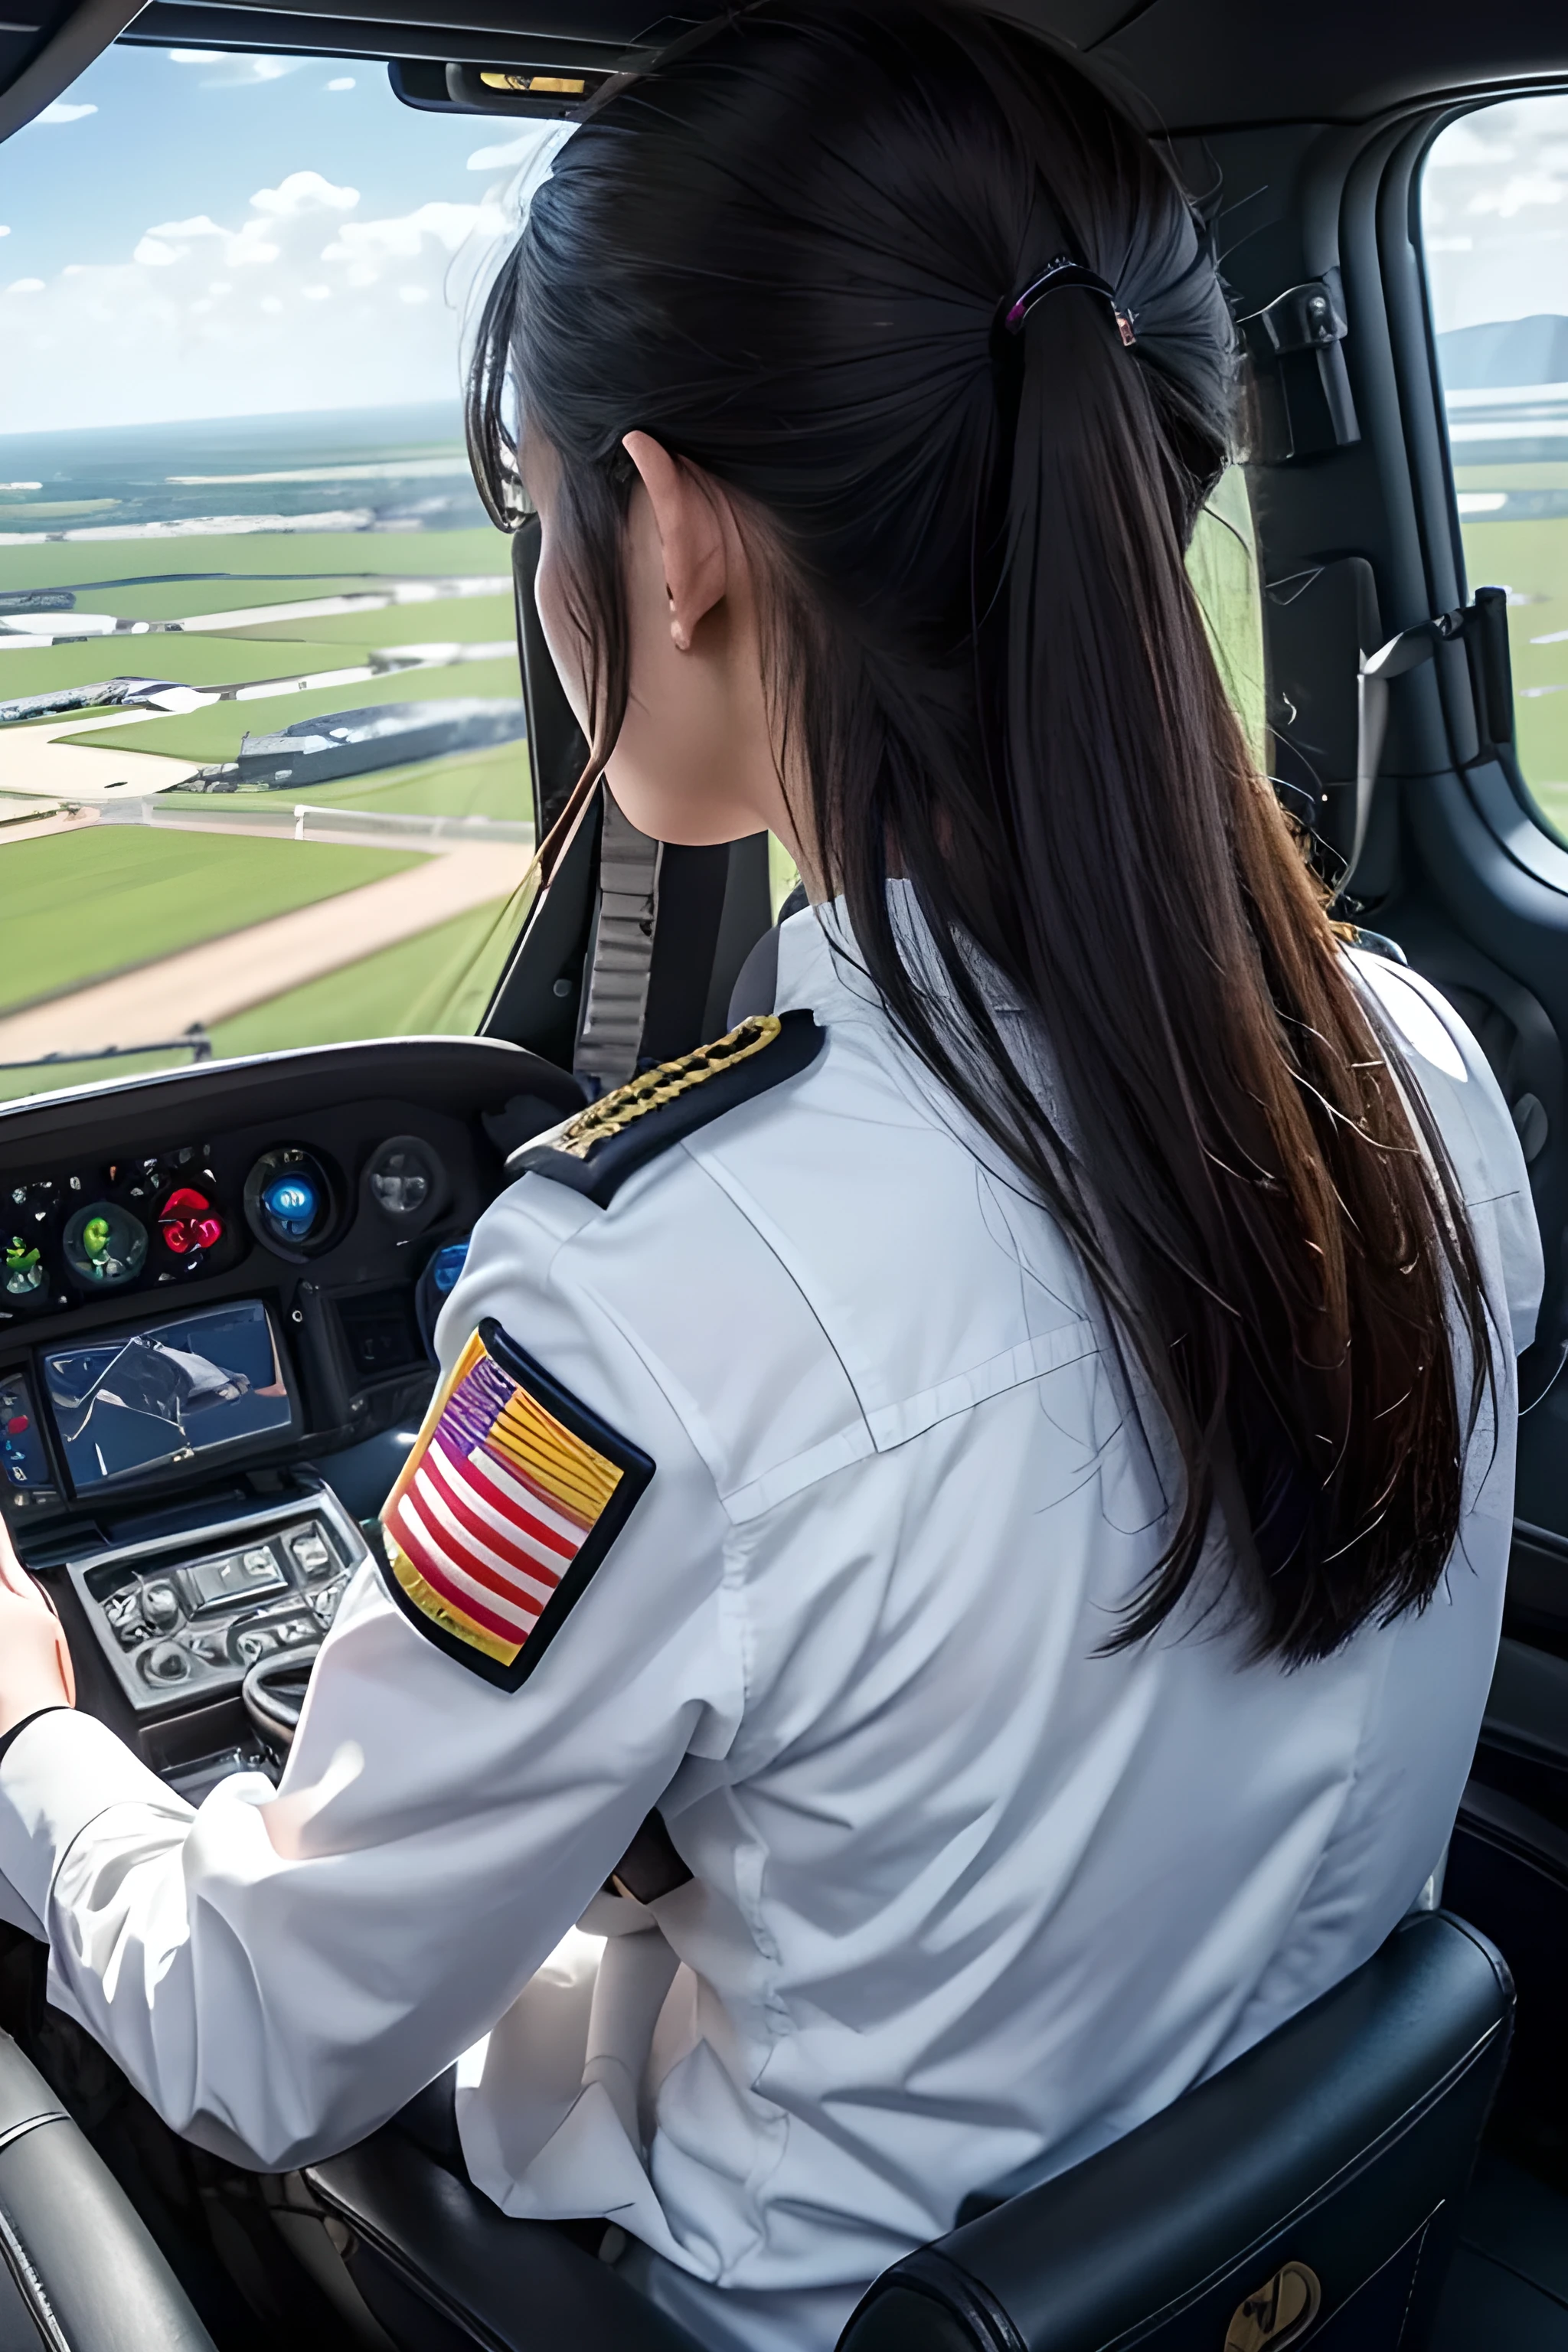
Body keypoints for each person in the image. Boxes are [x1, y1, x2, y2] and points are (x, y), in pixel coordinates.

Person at [0, 8, 1542, 2349]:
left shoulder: (657, 1301)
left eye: (536, 514)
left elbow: (255, 2037)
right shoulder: (1415, 1074)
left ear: (683, 535)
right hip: (1291, 2242)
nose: (545, 578)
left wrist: (27, 1731)